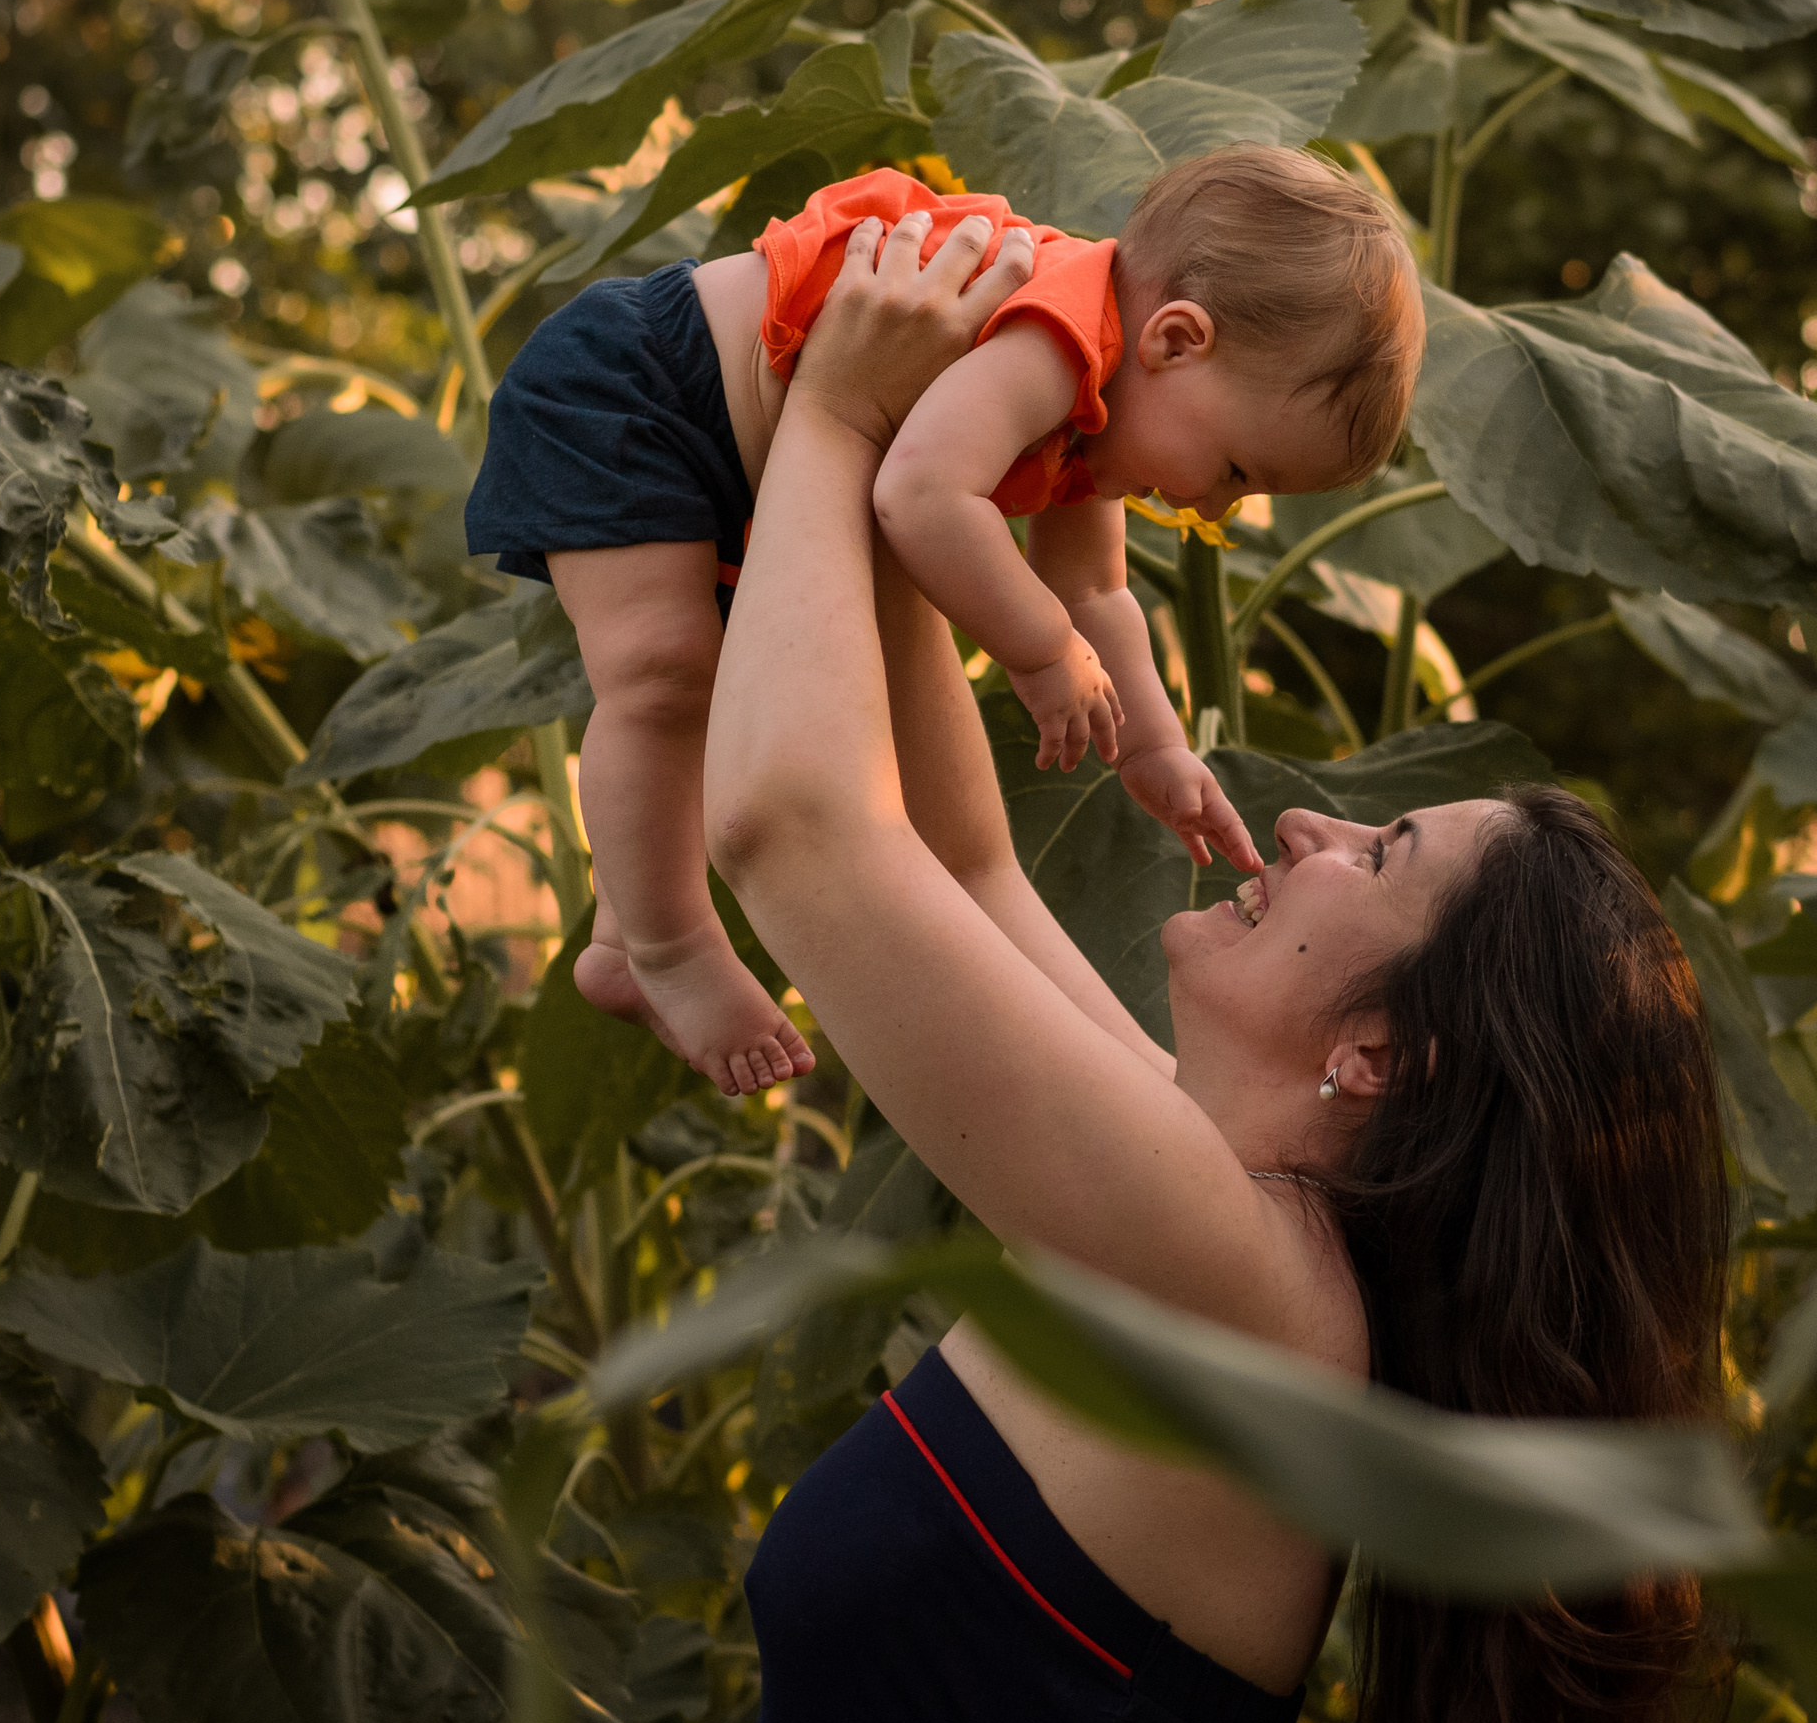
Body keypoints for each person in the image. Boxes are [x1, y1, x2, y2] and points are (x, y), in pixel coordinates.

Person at [693, 213, 1734, 1723]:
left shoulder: (1243, 1287)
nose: (1310, 820)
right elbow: (965, 869)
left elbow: (798, 832)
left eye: (1379, 853)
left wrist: (830, 411)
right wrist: (914, 453)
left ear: (1383, 1057)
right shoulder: (1229, 1222)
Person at [466, 146, 1425, 1097]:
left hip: (732, 459)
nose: (1213, 508)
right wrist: (1040, 652)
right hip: (639, 387)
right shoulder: (1054, 334)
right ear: (1175, 340)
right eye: (1236, 471)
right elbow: (921, 493)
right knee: (665, 673)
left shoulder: (1097, 407)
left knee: (694, 676)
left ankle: (622, 931)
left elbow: (1094, 592)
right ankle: (663, 945)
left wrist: (1154, 748)